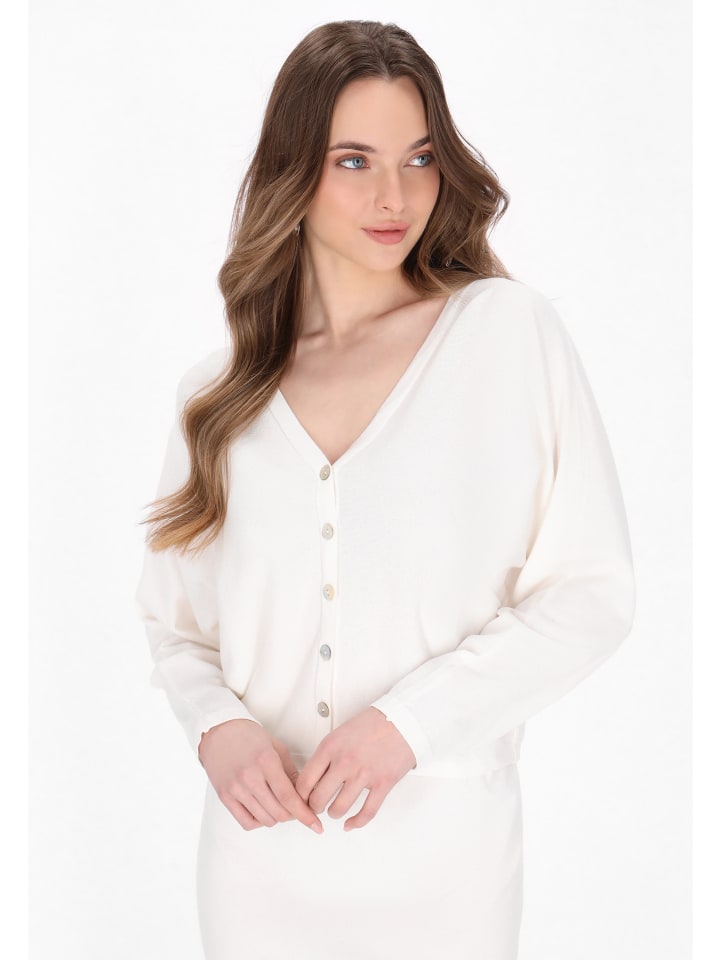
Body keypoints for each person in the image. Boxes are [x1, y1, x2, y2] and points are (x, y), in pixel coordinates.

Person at [134, 19, 635, 960]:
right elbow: (176, 625)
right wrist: (217, 727)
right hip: (258, 869)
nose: (394, 196)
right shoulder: (221, 395)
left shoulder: (506, 335)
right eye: (354, 161)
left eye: (419, 158)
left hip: (447, 866)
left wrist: (408, 726)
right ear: (294, 170)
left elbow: (591, 594)